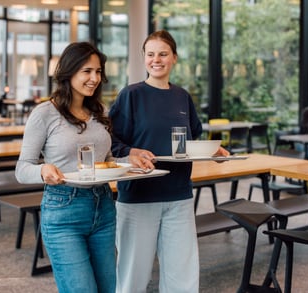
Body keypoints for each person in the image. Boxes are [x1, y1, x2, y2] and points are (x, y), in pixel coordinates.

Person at [15, 42, 151, 293]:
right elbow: (22, 168)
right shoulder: (45, 113)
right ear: (69, 72)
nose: (94, 78)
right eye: (87, 71)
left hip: (103, 207)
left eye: (98, 72)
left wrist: (129, 160)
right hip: (63, 211)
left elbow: (106, 160)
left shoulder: (98, 112)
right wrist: (43, 170)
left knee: (110, 288)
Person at [109, 30, 229, 293]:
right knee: (133, 276)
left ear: (174, 57)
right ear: (144, 58)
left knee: (182, 275)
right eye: (150, 54)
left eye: (163, 54)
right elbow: (110, 141)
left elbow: (192, 140)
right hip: (138, 197)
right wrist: (131, 152)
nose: (156, 59)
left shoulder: (182, 97)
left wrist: (213, 152)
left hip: (179, 196)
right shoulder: (131, 95)